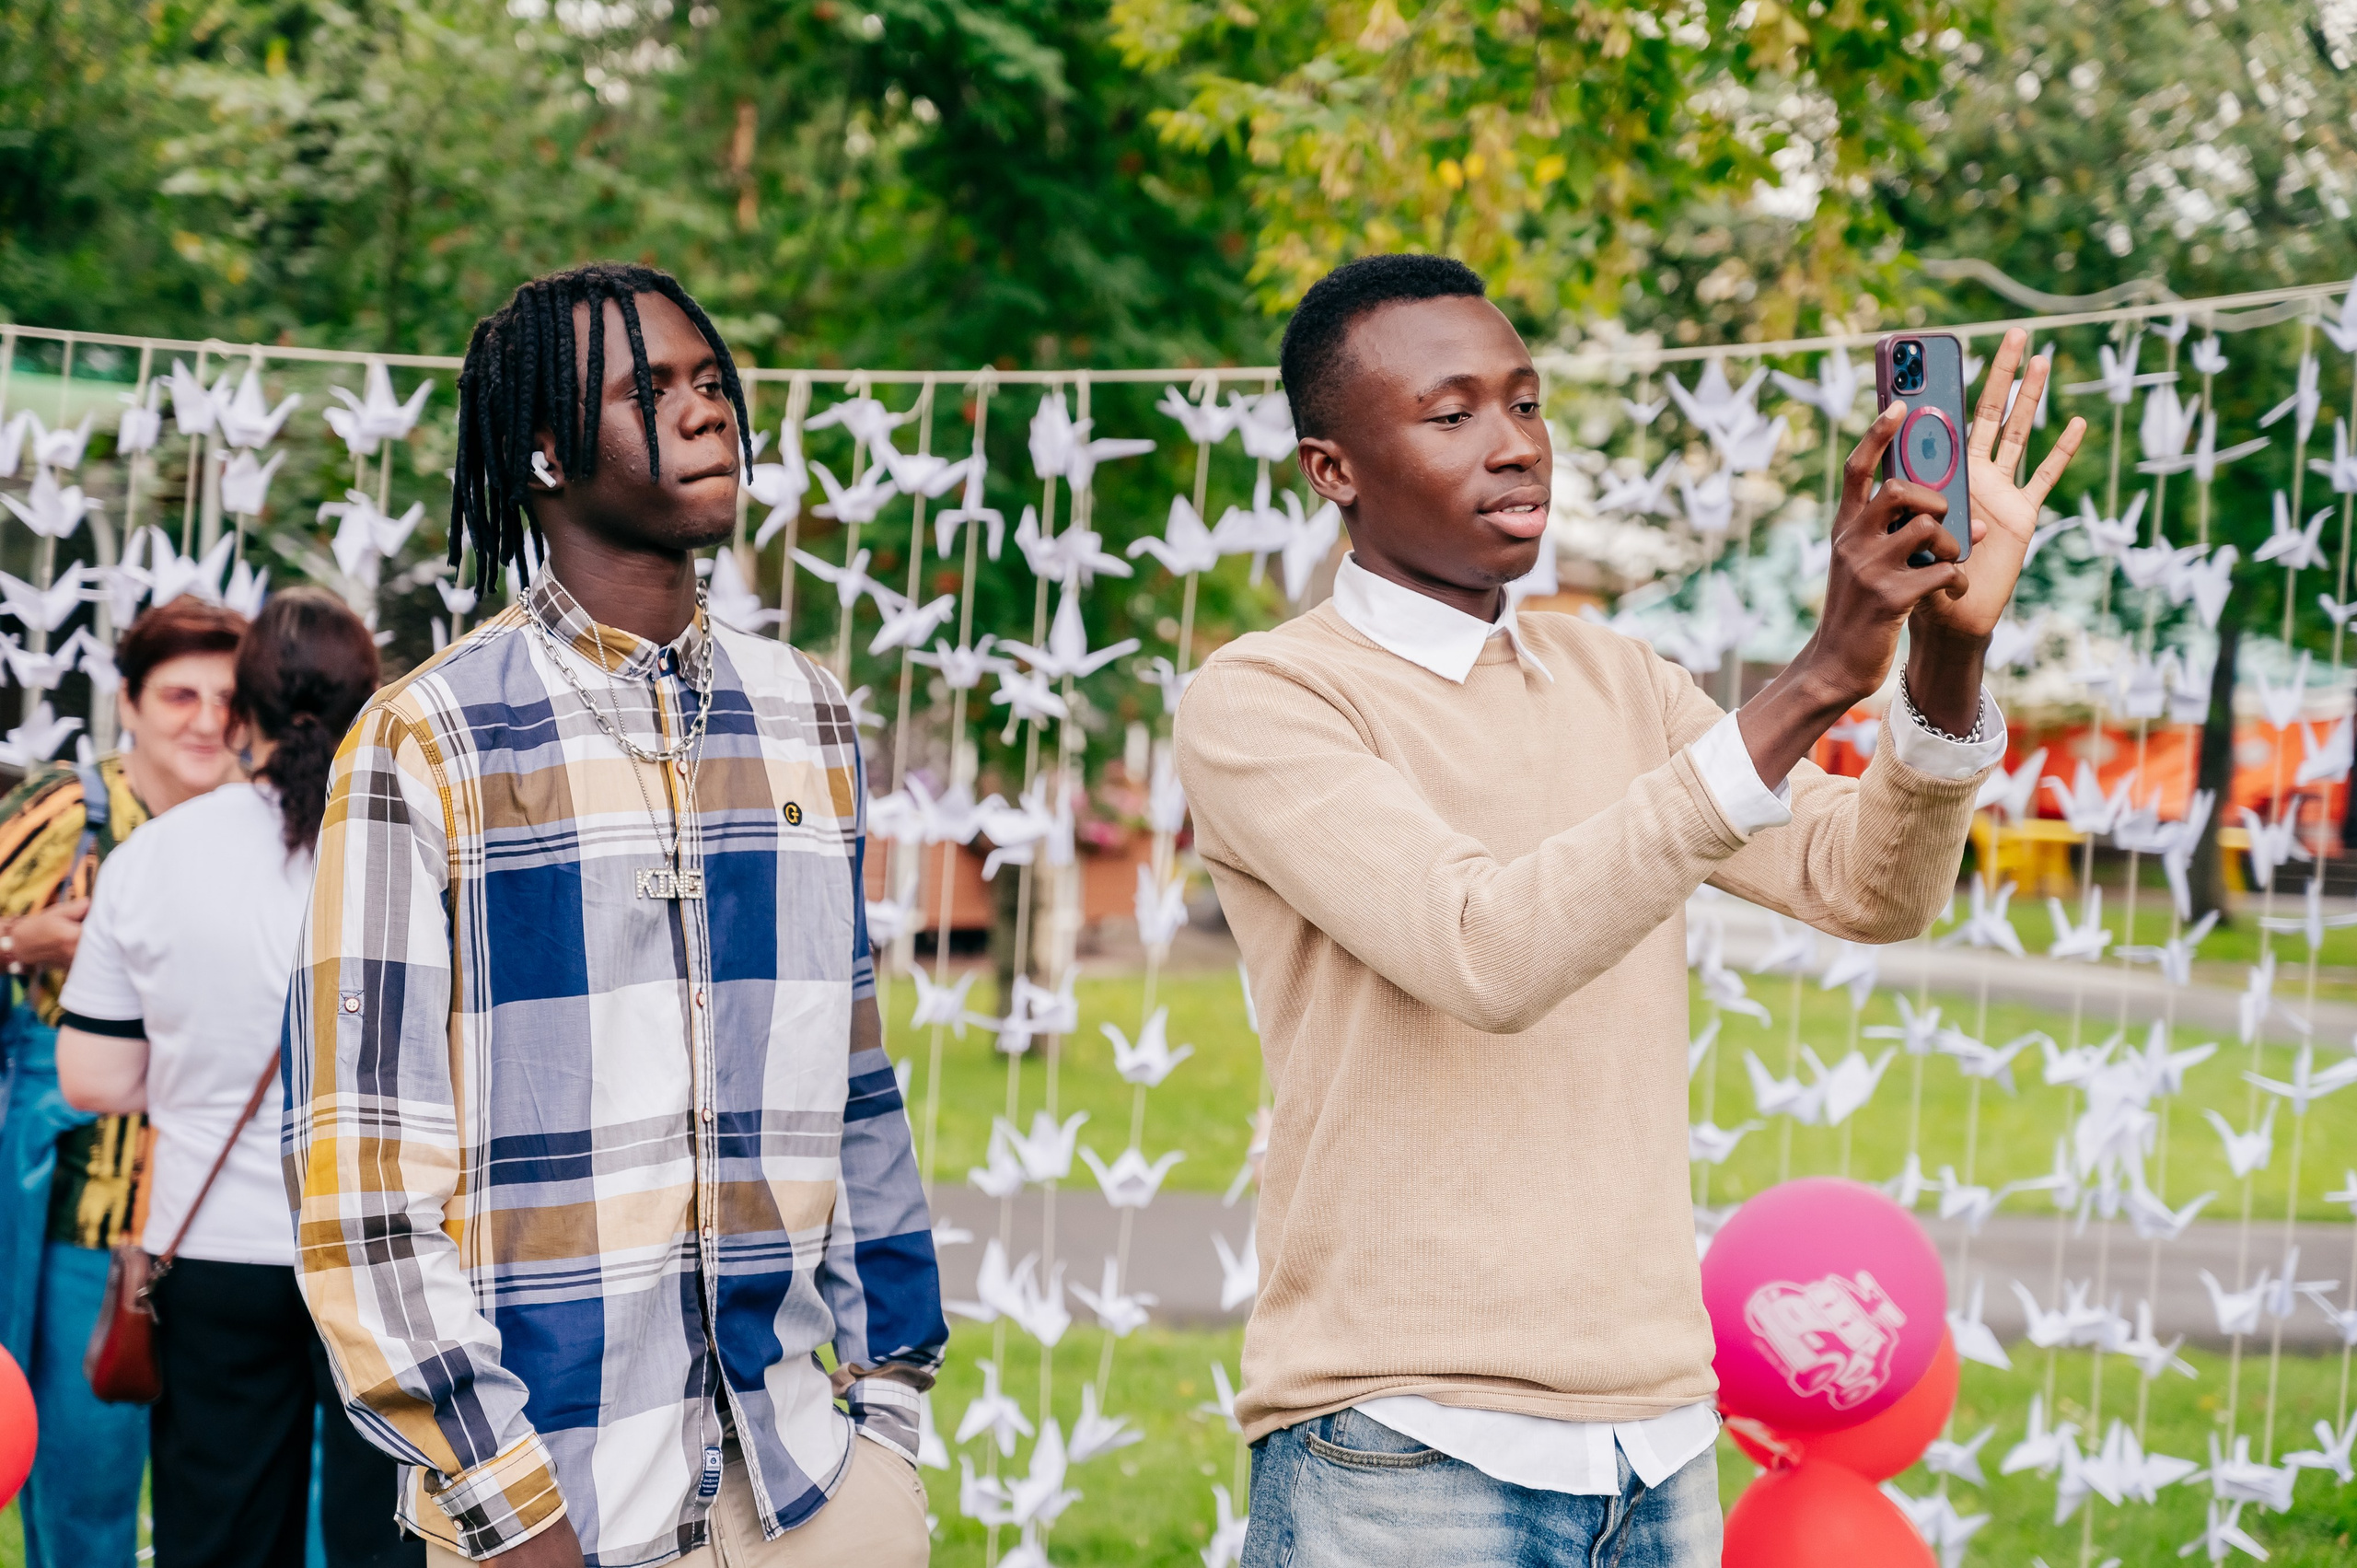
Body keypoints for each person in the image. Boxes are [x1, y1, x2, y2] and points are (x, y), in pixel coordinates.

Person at [1173, 254, 2087, 1566]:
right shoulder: (1267, 698)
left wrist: (1945, 650)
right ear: (1333, 469)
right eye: (1454, 414)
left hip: (1656, 1447)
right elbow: (1485, 947)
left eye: (1529, 404)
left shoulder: (1619, 676)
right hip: (1404, 1451)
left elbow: (1867, 885)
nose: (1514, 447)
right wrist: (1820, 675)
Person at [283, 262, 946, 1568]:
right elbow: (362, 1188)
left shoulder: (806, 709)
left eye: (713, 382)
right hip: (562, 1505)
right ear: (541, 448)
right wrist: (508, 1507)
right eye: (652, 389)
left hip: (815, 1484)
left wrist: (893, 1410)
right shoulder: (428, 741)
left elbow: (856, 1075)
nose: (709, 414)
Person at [54, 589, 413, 1568]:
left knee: (215, 1535)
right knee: (387, 1541)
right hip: (387, 1249)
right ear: (370, 701)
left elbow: (89, 1075)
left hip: (208, 1251)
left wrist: (191, 1073)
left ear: (237, 707)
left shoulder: (154, 857)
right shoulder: (416, 849)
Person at [0, 595, 247, 1568]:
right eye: (178, 694)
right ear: (129, 702)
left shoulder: (271, 820)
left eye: (227, 697)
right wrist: (21, 938)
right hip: (87, 1217)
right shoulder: (71, 810)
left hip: (234, 1220)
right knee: (88, 1481)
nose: (204, 719)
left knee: (233, 1489)